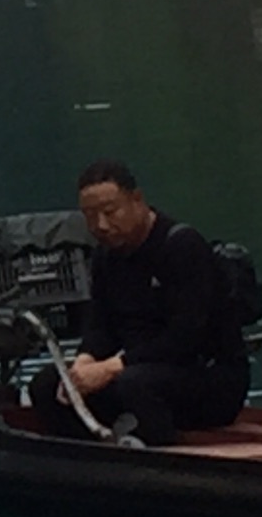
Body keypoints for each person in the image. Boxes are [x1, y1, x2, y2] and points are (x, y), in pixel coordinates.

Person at [27, 158, 249, 446]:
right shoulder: (105, 257)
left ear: (137, 200)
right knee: (48, 385)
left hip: (205, 376)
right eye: (90, 216)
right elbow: (100, 326)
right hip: (137, 369)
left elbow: (186, 337)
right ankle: (88, 455)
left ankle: (166, 461)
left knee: (135, 384)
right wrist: (84, 365)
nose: (101, 225)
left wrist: (110, 368)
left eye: (110, 212)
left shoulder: (182, 247)